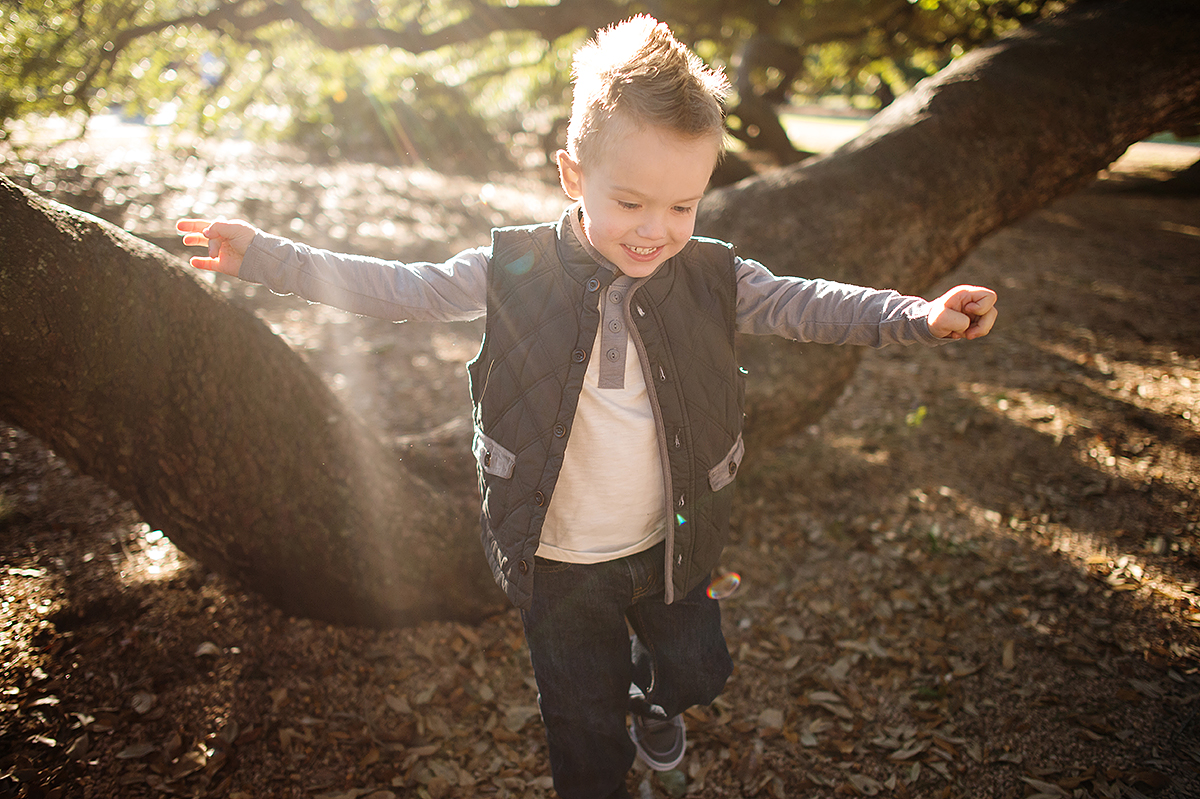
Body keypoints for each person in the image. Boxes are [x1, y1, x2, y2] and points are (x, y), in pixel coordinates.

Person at [177, 15, 997, 799]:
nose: (655, 231)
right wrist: (271, 259)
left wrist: (916, 316)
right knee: (580, 721)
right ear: (573, 176)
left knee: (698, 671)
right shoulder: (514, 269)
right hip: (560, 561)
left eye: (683, 206)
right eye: (631, 202)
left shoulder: (708, 274)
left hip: (669, 540)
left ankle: (656, 701)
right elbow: (402, 289)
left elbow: (804, 302)